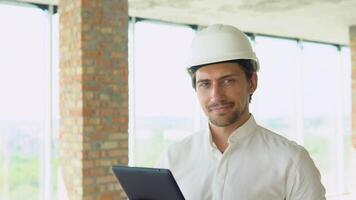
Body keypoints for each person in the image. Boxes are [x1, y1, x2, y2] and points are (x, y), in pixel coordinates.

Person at [157, 24, 326, 200]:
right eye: (205, 84)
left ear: (252, 82)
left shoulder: (291, 160)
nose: (216, 96)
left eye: (228, 81)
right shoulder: (172, 158)